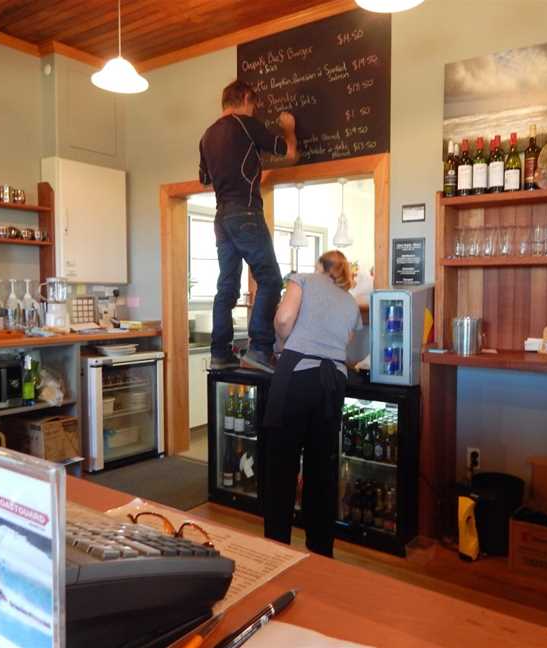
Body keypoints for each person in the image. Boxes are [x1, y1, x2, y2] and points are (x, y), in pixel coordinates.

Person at [262, 250, 366, 557]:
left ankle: (276, 548)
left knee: (281, 465)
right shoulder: (349, 302)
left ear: (320, 267)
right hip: (333, 381)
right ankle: (321, 551)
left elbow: (283, 319)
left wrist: (282, 345)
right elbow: (352, 348)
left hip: (296, 372)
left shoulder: (303, 280)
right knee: (322, 468)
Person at [199, 80, 298, 373]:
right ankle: (259, 349)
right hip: (245, 213)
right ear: (243, 98)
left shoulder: (206, 136)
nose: (254, 110)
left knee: (226, 287)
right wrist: (289, 128)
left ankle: (219, 354)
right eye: (253, 104)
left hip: (221, 218)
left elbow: (205, 180)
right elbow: (290, 154)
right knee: (270, 279)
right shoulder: (244, 124)